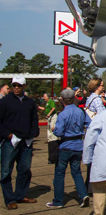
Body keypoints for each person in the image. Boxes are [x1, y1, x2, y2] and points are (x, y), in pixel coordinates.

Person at [46, 88, 91, 209]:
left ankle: (58, 200)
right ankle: (83, 195)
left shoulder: (63, 114)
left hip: (66, 145)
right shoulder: (81, 111)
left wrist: (55, 129)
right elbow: (89, 123)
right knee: (76, 172)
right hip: (78, 145)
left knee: (60, 173)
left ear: (63, 100)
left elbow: (59, 132)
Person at [0, 76, 40, 210]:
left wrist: (34, 133)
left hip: (26, 141)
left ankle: (20, 194)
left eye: (19, 85)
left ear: (24, 86)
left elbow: (34, 119)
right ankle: (9, 198)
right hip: (11, 141)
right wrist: (8, 134)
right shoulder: (5, 102)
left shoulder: (30, 102)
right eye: (14, 85)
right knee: (6, 171)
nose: (16, 88)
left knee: (24, 169)